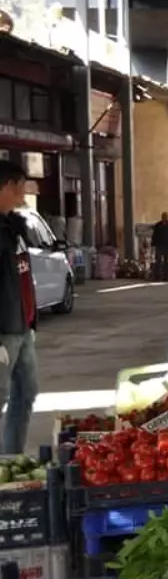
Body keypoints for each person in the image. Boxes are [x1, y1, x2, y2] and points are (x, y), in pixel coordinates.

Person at [0, 161, 39, 455]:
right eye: (20, 188)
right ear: (7, 186)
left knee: (26, 392)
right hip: (4, 329)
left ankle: (10, 459)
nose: (22, 196)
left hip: (23, 325)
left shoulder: (12, 226)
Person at [150, 212, 168, 281]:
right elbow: (154, 236)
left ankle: (165, 277)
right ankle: (156, 277)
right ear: (162, 217)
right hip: (159, 246)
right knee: (157, 261)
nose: (165, 217)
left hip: (167, 246)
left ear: (167, 217)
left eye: (166, 216)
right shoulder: (158, 225)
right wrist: (152, 245)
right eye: (164, 216)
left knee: (166, 262)